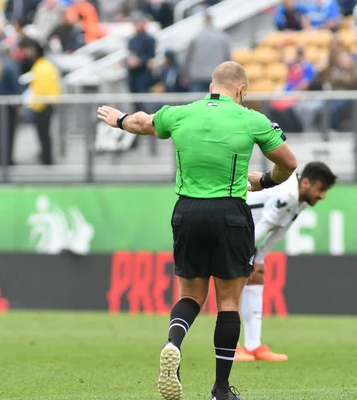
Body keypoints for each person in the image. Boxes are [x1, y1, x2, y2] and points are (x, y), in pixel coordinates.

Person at [96, 61, 298, 400]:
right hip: (230, 212)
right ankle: (220, 389)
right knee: (229, 302)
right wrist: (264, 181)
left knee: (190, 296)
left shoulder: (181, 114)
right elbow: (289, 163)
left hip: (188, 210)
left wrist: (118, 119)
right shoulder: (252, 119)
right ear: (241, 90)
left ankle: (172, 344)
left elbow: (142, 122)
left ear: (211, 87)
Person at [234, 162, 337, 363]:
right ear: (306, 183)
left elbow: (280, 230)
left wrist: (260, 258)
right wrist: (249, 255)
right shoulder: (287, 194)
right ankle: (231, 347)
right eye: (321, 189)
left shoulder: (300, 200)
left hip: (246, 234)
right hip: (234, 228)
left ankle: (254, 346)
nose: (322, 196)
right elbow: (262, 227)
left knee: (255, 277)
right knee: (233, 283)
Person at [19, 38, 61, 165]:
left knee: (44, 135)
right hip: (45, 105)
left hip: (43, 106)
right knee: (44, 135)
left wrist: (35, 106)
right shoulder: (44, 65)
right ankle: (46, 158)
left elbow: (42, 90)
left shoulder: (42, 67)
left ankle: (47, 160)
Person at [184, 12, 232, 93]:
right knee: (214, 103)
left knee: (197, 103)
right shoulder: (222, 37)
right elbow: (228, 58)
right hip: (216, 75)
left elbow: (188, 57)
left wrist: (185, 74)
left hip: (197, 75)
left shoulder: (196, 37)